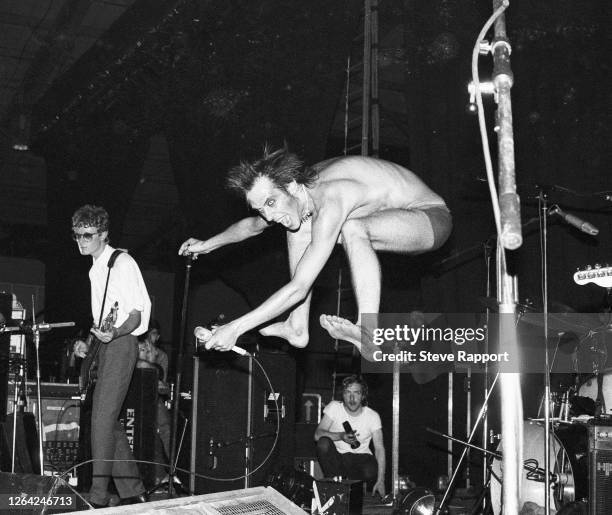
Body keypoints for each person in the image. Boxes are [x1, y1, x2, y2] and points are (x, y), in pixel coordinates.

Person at [178, 146, 451, 357]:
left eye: (271, 203)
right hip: (390, 217)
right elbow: (252, 226)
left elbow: (300, 287)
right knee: (296, 225)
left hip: (430, 219)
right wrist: (207, 244)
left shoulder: (331, 198)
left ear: (293, 187)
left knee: (352, 228)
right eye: (263, 208)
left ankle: (369, 330)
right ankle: (298, 326)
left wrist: (235, 328)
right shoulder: (296, 194)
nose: (269, 215)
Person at [72, 204, 151, 507]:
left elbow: (134, 315)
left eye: (88, 235)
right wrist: (89, 343)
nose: (81, 241)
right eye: (77, 235)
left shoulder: (122, 262)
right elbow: (106, 316)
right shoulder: (96, 267)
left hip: (121, 343)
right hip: (104, 344)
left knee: (102, 420)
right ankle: (133, 491)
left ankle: (97, 496)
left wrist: (114, 334)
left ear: (103, 234)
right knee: (108, 421)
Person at [314, 375, 385, 496]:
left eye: (356, 393)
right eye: (347, 393)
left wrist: (381, 480)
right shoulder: (334, 407)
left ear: (363, 396)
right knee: (323, 443)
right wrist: (341, 436)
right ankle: (334, 485)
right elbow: (317, 435)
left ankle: (353, 488)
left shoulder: (372, 416)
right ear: (343, 395)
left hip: (360, 460)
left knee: (371, 469)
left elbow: (379, 448)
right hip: (338, 460)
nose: (352, 398)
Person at [136, 321, 172, 480]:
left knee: (165, 428)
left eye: (154, 334)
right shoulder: (135, 346)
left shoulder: (160, 355)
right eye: (148, 333)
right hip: (133, 397)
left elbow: (160, 382)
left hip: (153, 398)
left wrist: (150, 358)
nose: (151, 337)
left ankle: (172, 469)